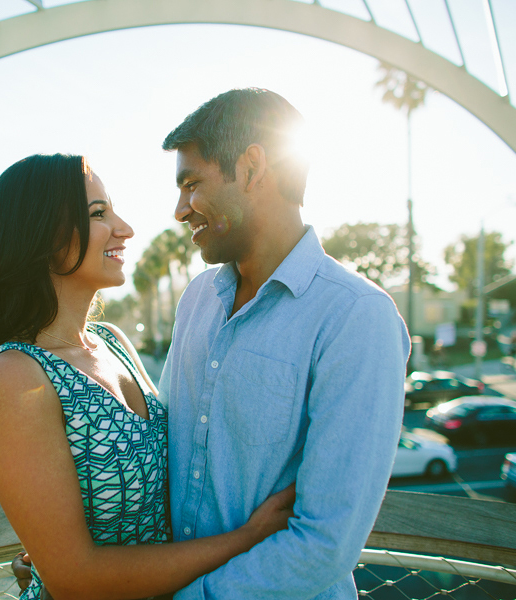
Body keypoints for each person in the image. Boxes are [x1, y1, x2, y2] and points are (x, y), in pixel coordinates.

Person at [0, 153, 294, 600]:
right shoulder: (12, 375)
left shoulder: (112, 342)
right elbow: (75, 579)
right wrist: (246, 539)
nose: (124, 228)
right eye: (97, 214)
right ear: (39, 235)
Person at [156, 88, 411, 599]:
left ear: (252, 168)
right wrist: (78, 563)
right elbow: (163, 451)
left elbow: (324, 544)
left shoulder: (356, 317)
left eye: (192, 184)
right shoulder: (198, 299)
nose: (180, 209)